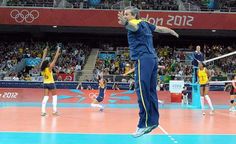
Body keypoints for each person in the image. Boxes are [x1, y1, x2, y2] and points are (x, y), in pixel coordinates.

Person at [118, 6, 179, 138]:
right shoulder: (146, 23)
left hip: (143, 59)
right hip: (153, 59)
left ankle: (143, 124)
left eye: (127, 14)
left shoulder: (134, 23)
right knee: (151, 92)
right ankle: (153, 121)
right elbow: (160, 29)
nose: (125, 16)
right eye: (124, 15)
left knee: (142, 91)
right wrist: (171, 31)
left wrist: (126, 23)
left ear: (134, 15)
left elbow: (133, 28)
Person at [40, 44, 61, 116]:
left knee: (45, 97)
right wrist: (57, 52)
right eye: (49, 63)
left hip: (45, 83)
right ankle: (54, 111)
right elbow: (54, 59)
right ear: (47, 64)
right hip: (51, 83)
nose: (50, 63)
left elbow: (43, 60)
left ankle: (43, 112)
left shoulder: (42, 69)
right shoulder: (49, 69)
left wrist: (44, 53)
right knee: (54, 97)